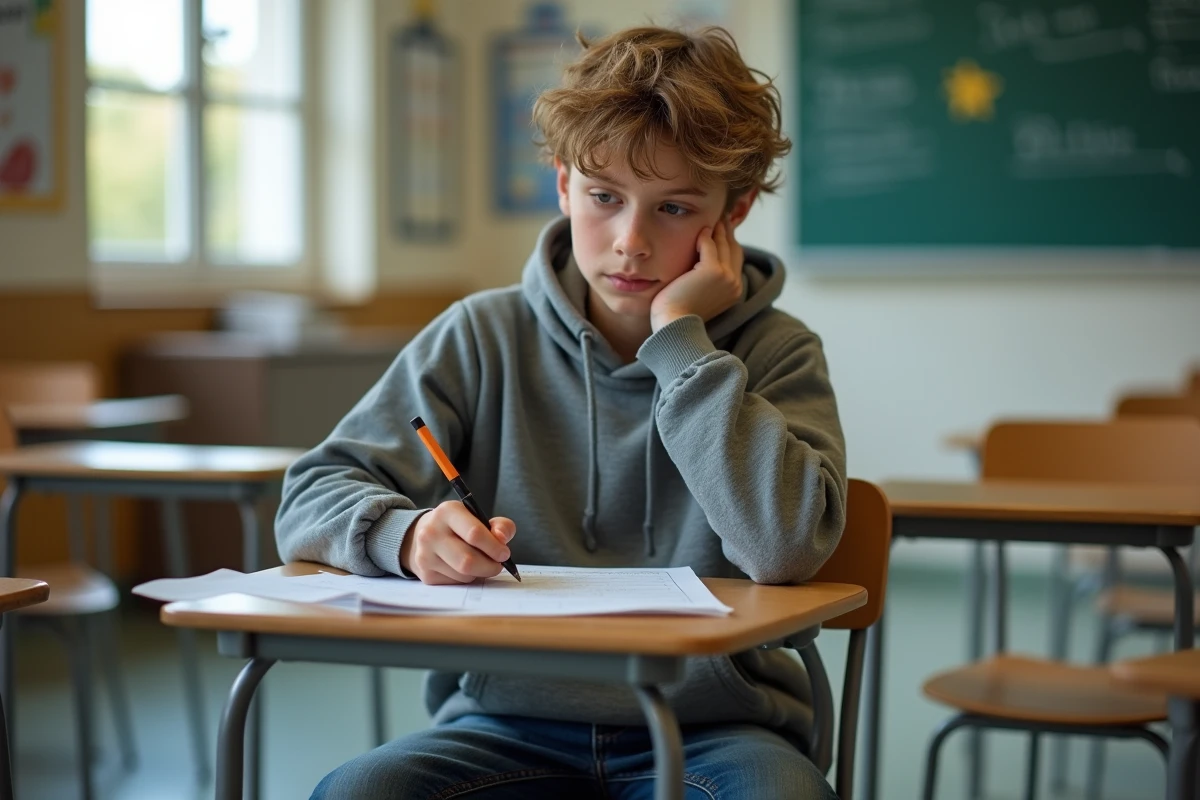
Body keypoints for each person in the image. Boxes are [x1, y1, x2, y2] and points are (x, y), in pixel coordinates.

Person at [278, 24, 847, 800]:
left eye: (674, 208)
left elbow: (785, 550)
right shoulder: (481, 335)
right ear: (562, 186)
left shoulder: (779, 351)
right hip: (503, 721)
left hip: (716, 730)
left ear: (735, 212)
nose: (631, 243)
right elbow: (313, 490)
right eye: (603, 198)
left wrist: (681, 344)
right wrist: (405, 534)